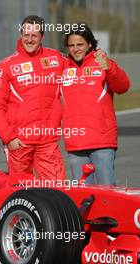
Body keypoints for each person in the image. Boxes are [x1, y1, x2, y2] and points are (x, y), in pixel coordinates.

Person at [0, 15, 66, 180]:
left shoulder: (57, 58)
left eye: (34, 36)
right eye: (26, 35)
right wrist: (9, 138)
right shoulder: (5, 66)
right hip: (19, 142)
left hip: (47, 141)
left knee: (57, 191)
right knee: (21, 192)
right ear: (21, 35)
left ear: (42, 37)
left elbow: (80, 65)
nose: (29, 40)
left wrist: (97, 57)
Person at [61, 23, 130, 184]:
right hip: (75, 144)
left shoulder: (103, 63)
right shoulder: (63, 68)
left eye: (80, 44)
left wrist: (109, 68)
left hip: (102, 142)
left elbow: (123, 87)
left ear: (89, 44)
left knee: (107, 195)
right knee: (84, 198)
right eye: (71, 45)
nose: (75, 49)